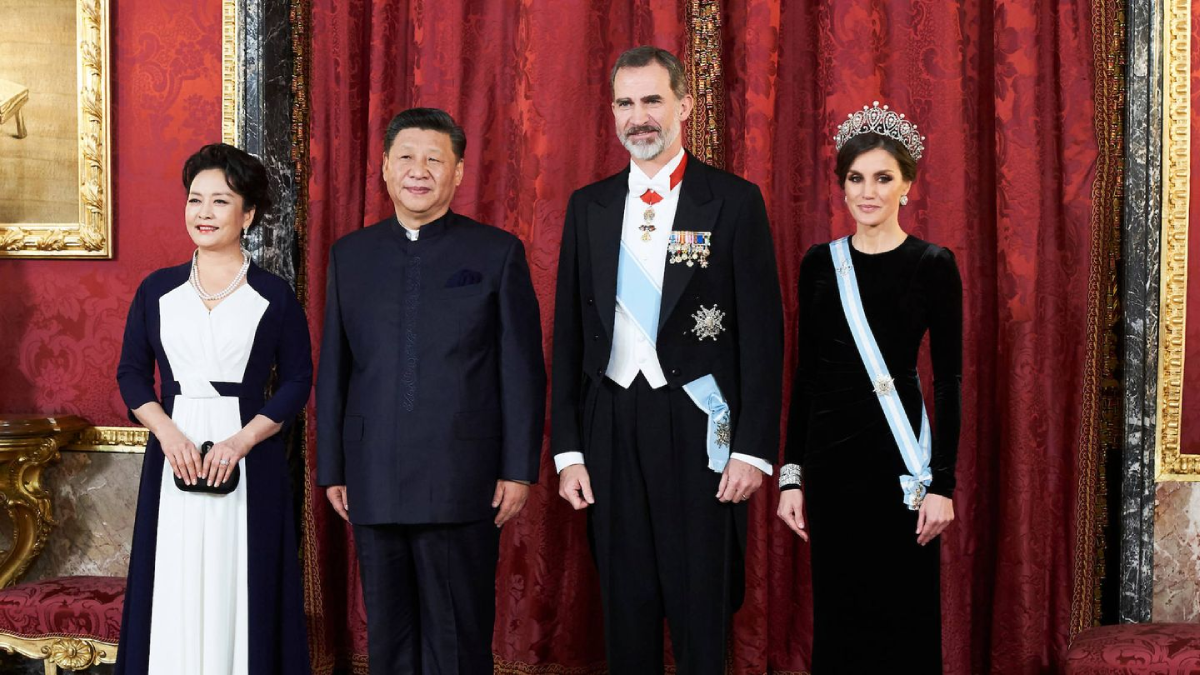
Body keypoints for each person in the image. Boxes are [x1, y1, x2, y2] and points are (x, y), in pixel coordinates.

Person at [550, 46, 783, 674]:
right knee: (625, 604)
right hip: (610, 425)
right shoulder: (588, 206)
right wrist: (569, 449)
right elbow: (569, 336)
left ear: (684, 104)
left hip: (698, 427)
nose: (639, 117)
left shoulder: (732, 202)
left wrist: (754, 449)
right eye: (626, 103)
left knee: (700, 604)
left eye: (652, 100)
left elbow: (764, 337)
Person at [316, 107, 546, 674]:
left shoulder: (497, 253)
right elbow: (335, 370)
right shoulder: (351, 255)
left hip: (463, 475)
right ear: (385, 170)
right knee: (388, 640)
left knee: (458, 635)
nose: (419, 171)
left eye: (434, 160)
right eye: (406, 158)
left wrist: (518, 469)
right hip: (373, 472)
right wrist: (333, 468)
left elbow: (522, 369)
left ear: (459, 172)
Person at [776, 102, 962, 673]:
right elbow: (806, 376)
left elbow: (949, 380)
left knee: (903, 621)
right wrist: (791, 476)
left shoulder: (933, 264)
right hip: (832, 468)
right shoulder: (818, 264)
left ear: (907, 185)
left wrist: (943, 487)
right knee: (840, 621)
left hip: (902, 467)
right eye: (856, 178)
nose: (868, 191)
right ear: (842, 186)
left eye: (883, 178)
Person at [115, 143, 313, 674]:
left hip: (249, 454)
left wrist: (241, 442)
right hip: (172, 454)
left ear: (247, 214)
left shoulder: (273, 295)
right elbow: (131, 373)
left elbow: (298, 379)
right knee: (172, 574)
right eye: (195, 199)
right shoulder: (156, 290)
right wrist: (168, 435)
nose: (203, 213)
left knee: (239, 577)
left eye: (219, 202)